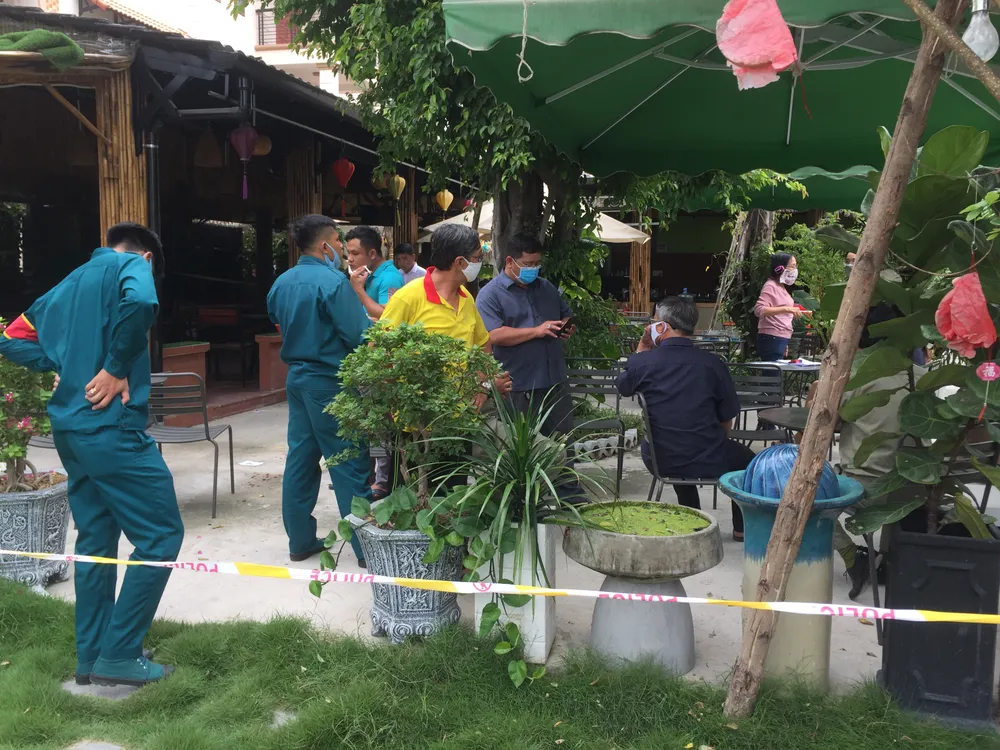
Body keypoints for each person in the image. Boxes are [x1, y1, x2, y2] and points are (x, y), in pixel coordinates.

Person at [0, 222, 183, 687]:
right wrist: (115, 367)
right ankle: (119, 655)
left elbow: (11, 337)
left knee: (96, 539)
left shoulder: (68, 284)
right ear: (146, 258)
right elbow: (140, 303)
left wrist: (61, 363)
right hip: (111, 428)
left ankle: (93, 656)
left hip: (71, 431)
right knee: (161, 534)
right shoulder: (131, 266)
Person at [267, 214, 371, 566]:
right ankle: (365, 550)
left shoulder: (282, 282)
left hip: (297, 380)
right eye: (340, 243)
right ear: (325, 245)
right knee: (349, 463)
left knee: (300, 460)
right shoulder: (333, 282)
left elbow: (277, 320)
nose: (343, 250)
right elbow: (358, 335)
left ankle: (299, 541)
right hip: (330, 382)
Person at [380, 224, 512, 488]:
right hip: (416, 427)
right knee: (413, 499)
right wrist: (401, 401)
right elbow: (381, 354)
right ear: (459, 262)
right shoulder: (408, 298)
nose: (480, 263)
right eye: (477, 257)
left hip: (457, 423)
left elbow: (483, 347)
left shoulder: (466, 298)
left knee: (451, 497)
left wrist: (483, 387)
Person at [616, 296, 750, 540]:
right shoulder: (713, 364)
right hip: (709, 456)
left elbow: (623, 387)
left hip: (660, 458)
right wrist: (714, 444)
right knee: (748, 462)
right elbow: (727, 416)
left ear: (661, 326)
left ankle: (694, 518)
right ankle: (741, 528)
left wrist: (642, 347)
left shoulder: (644, 362)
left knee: (673, 447)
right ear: (693, 328)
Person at [475, 232, 574, 437]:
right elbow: (492, 335)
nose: (534, 269)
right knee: (522, 447)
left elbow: (566, 315)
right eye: (528, 264)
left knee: (563, 444)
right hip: (518, 386)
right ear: (510, 261)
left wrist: (566, 326)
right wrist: (537, 331)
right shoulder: (490, 294)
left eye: (537, 263)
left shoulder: (546, 288)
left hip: (555, 382)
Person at [754, 252, 809, 361]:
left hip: (779, 338)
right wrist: (787, 309)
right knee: (772, 371)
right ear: (780, 268)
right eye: (792, 266)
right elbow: (759, 309)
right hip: (771, 337)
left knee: (776, 370)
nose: (795, 270)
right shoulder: (771, 286)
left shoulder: (781, 287)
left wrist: (784, 341)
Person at [345, 226, 405, 319]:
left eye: (355, 253)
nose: (349, 259)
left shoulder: (390, 277)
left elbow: (388, 316)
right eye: (348, 253)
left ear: (372, 254)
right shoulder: (369, 273)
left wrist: (359, 289)